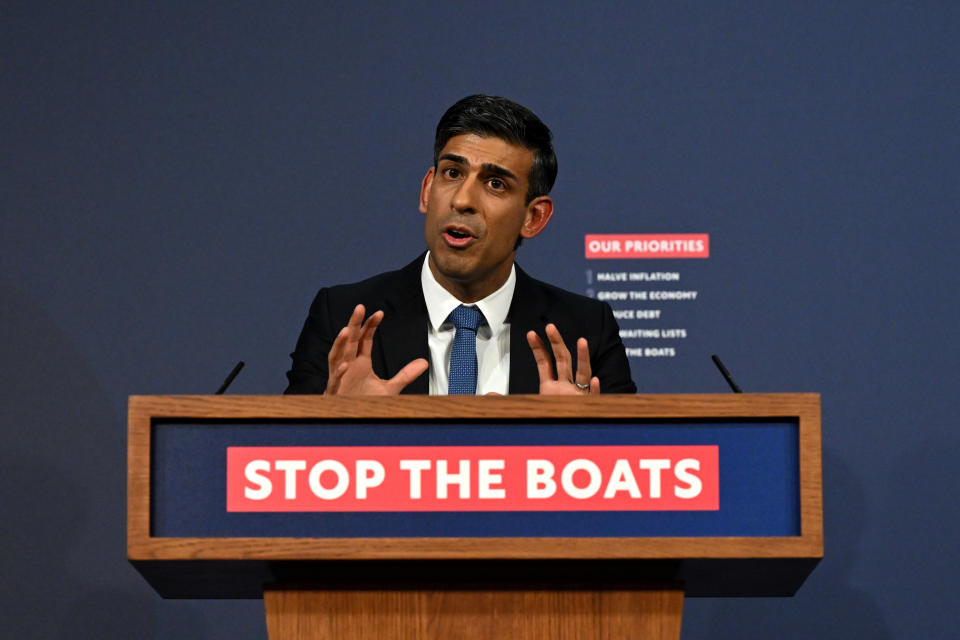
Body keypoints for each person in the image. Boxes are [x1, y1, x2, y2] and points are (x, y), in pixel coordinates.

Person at [285, 94, 635, 396]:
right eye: (452, 173)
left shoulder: (585, 332)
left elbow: (634, 467)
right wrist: (336, 425)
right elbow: (281, 461)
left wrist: (578, 438)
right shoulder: (343, 319)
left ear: (534, 217)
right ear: (426, 190)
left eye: (495, 183)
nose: (463, 200)